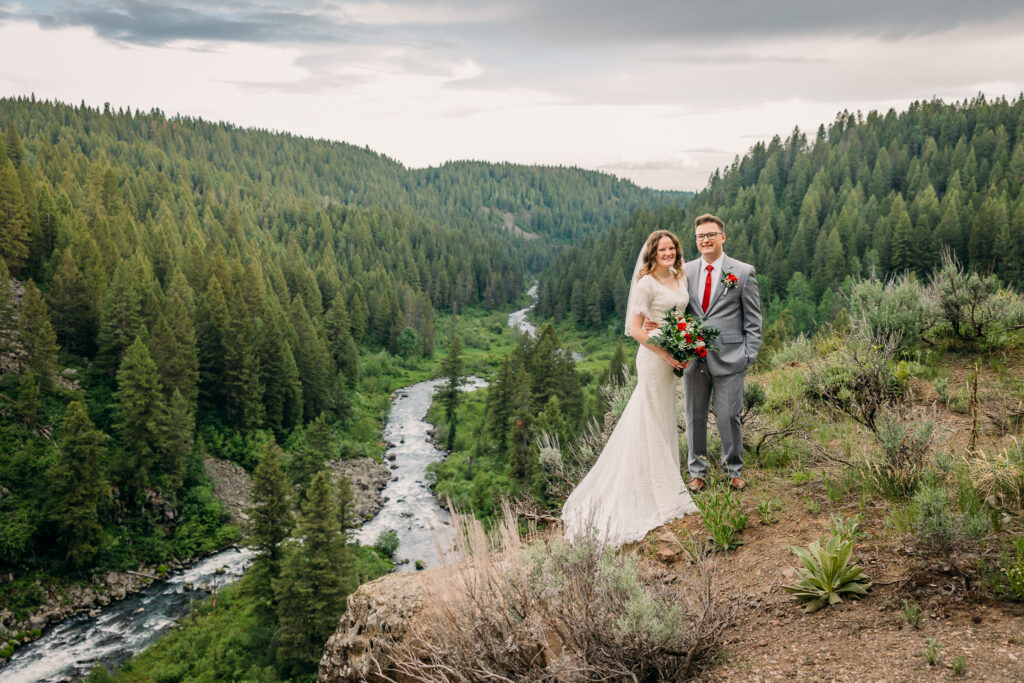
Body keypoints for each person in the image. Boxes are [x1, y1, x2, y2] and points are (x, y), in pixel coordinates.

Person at [562, 230, 698, 547]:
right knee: (651, 416)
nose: (669, 253)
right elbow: (635, 330)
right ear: (652, 253)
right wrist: (665, 351)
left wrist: (685, 343)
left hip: (673, 355)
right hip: (653, 359)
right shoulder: (645, 283)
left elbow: (680, 315)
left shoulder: (680, 277)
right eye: (663, 249)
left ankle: (661, 479)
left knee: (663, 418)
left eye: (673, 248)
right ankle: (662, 493)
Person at [675, 214, 761, 492]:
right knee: (694, 416)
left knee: (728, 416)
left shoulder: (743, 272)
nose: (705, 240)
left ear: (722, 237)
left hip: (731, 358)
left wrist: (748, 355)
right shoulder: (684, 272)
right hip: (694, 359)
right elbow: (678, 312)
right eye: (700, 236)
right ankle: (697, 473)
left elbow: (753, 320)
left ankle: (734, 470)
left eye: (711, 235)